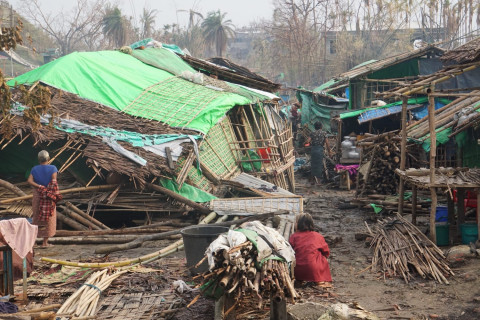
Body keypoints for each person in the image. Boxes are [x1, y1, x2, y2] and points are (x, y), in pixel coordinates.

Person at [27, 150, 61, 248]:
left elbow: (29, 181)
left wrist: (40, 186)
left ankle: (33, 243)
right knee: (49, 218)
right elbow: (54, 182)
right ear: (48, 159)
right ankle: (44, 243)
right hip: (49, 196)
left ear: (39, 160)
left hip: (38, 195)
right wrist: (47, 190)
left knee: (36, 217)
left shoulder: (34, 168)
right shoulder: (53, 168)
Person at [289, 213, 332, 284]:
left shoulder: (294, 236)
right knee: (321, 256)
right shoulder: (317, 236)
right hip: (314, 269)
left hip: (298, 270)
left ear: (298, 224)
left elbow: (290, 251)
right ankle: (319, 279)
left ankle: (300, 280)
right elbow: (326, 252)